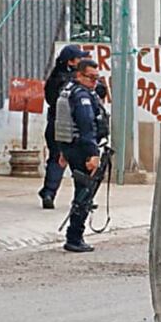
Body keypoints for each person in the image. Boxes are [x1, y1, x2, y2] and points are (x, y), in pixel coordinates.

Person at [54, 59, 109, 252]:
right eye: (91, 77)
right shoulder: (81, 96)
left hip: (70, 147)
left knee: (83, 191)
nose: (95, 82)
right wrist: (93, 155)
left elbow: (64, 123)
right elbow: (86, 126)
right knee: (84, 194)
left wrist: (63, 150)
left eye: (97, 78)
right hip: (81, 149)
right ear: (79, 75)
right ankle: (74, 237)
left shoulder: (67, 90)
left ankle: (75, 235)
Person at [38, 44, 90, 209]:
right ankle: (82, 199)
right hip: (70, 126)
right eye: (80, 58)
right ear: (72, 61)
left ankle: (49, 192)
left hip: (54, 124)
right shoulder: (70, 81)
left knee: (56, 158)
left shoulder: (55, 78)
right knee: (78, 161)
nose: (83, 60)